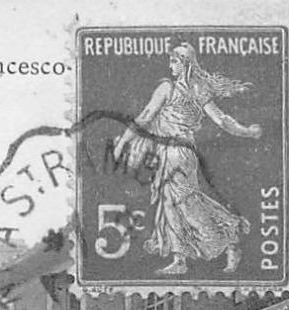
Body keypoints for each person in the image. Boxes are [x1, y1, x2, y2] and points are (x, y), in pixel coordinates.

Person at [112, 41, 263, 276]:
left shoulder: (170, 88)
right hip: (175, 153)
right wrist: (247, 132)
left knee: (186, 204)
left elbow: (145, 116)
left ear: (185, 64)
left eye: (174, 61)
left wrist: (123, 142)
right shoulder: (197, 90)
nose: (170, 65)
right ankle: (180, 258)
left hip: (177, 152)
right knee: (172, 203)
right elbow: (223, 120)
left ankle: (230, 235)